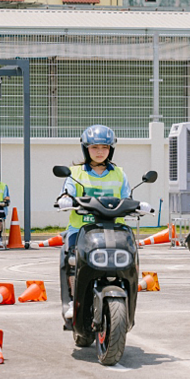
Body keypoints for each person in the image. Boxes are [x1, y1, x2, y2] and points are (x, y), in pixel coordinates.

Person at [57, 125, 130, 320]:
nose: (99, 152)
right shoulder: (75, 173)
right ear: (86, 149)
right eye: (94, 147)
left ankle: (127, 296)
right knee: (71, 259)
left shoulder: (120, 174)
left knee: (129, 259)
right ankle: (73, 299)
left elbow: (128, 197)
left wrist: (140, 205)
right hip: (82, 230)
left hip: (114, 230)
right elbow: (67, 191)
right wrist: (65, 198)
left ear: (111, 149)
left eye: (104, 148)